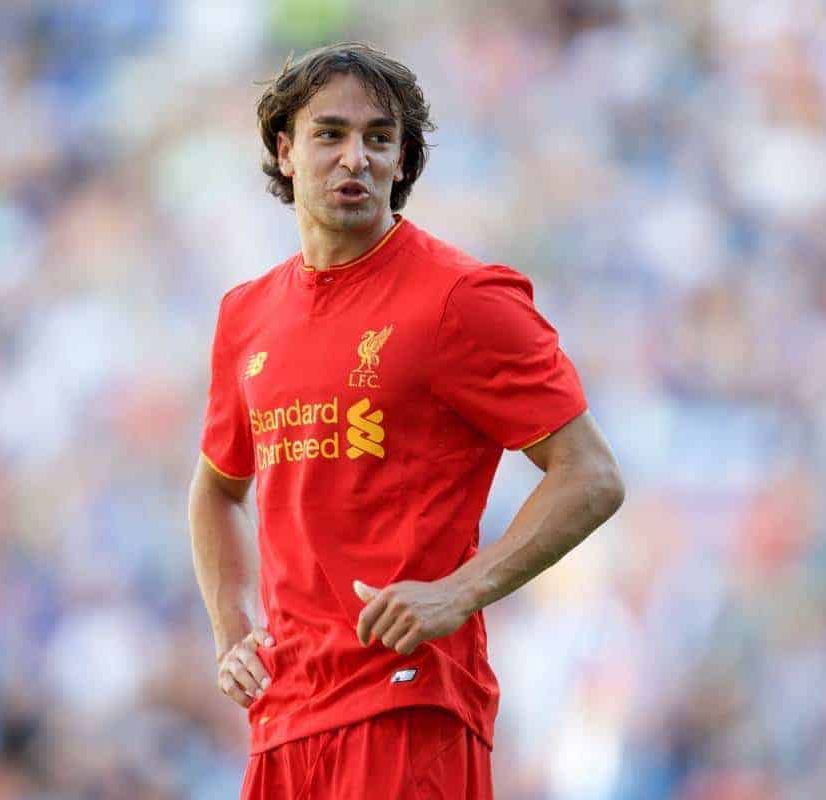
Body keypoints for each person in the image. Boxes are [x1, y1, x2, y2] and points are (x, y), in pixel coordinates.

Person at [187, 41, 625, 799]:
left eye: (379, 139)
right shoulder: (246, 315)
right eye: (331, 134)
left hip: (408, 705)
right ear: (285, 151)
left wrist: (458, 591)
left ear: (401, 162)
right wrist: (232, 633)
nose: (355, 157)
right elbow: (217, 490)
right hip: (284, 720)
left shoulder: (462, 298)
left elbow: (590, 475)